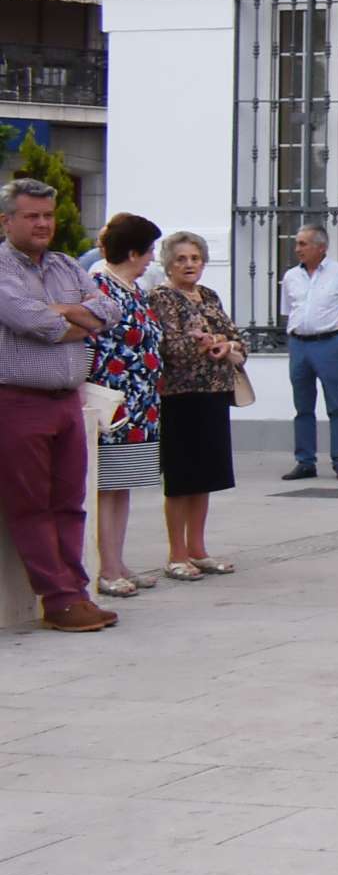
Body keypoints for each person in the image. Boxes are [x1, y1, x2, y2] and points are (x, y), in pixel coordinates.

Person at [0, 178, 113, 630]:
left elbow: (109, 312)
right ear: (7, 220)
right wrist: (74, 315)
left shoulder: (67, 264)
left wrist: (63, 311)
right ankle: (59, 599)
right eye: (32, 216)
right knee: (31, 503)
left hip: (68, 401)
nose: (43, 223)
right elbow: (31, 322)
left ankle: (77, 591)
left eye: (48, 215)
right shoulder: (3, 268)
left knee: (71, 501)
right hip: (19, 402)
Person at [152, 229, 244, 581]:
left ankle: (198, 549)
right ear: (169, 264)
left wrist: (225, 344)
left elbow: (237, 337)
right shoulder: (163, 297)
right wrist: (205, 346)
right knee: (181, 478)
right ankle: (176, 553)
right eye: (182, 259)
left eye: (195, 258)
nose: (190, 265)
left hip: (214, 393)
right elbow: (170, 346)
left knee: (205, 475)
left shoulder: (208, 295)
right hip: (180, 397)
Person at [85, 214, 165, 600]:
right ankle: (105, 567)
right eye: (149, 250)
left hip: (140, 401)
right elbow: (93, 344)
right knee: (107, 486)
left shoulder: (132, 288)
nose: (152, 258)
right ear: (132, 252)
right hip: (114, 400)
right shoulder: (99, 288)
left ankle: (118, 561)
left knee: (123, 485)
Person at [275, 224, 338, 483]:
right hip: (299, 344)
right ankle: (305, 461)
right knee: (302, 406)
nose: (297, 248)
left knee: (335, 405)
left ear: (321, 247)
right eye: (297, 243)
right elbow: (289, 311)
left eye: (303, 243)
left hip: (329, 343)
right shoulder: (291, 276)